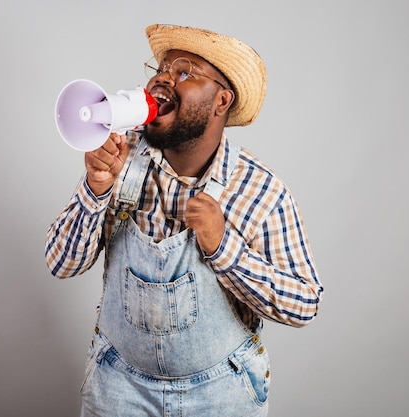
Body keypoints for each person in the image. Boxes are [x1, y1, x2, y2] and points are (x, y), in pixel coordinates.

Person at [45, 24, 324, 417]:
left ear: (221, 100)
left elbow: (304, 304)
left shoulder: (258, 190)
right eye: (161, 68)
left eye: (185, 71)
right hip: (119, 388)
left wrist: (224, 248)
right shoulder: (121, 159)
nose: (162, 78)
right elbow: (60, 263)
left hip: (223, 394)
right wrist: (96, 188)